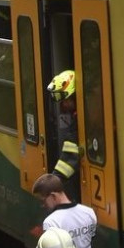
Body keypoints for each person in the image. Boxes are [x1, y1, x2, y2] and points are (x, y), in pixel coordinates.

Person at [33, 172, 97, 248]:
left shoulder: (51, 222)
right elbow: (91, 238)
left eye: (43, 201)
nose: (42, 205)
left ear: (53, 196)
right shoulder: (89, 212)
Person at [48, 69, 81, 201]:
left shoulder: (78, 125)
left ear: (75, 97)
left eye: (65, 100)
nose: (63, 105)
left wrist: (52, 181)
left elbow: (69, 158)